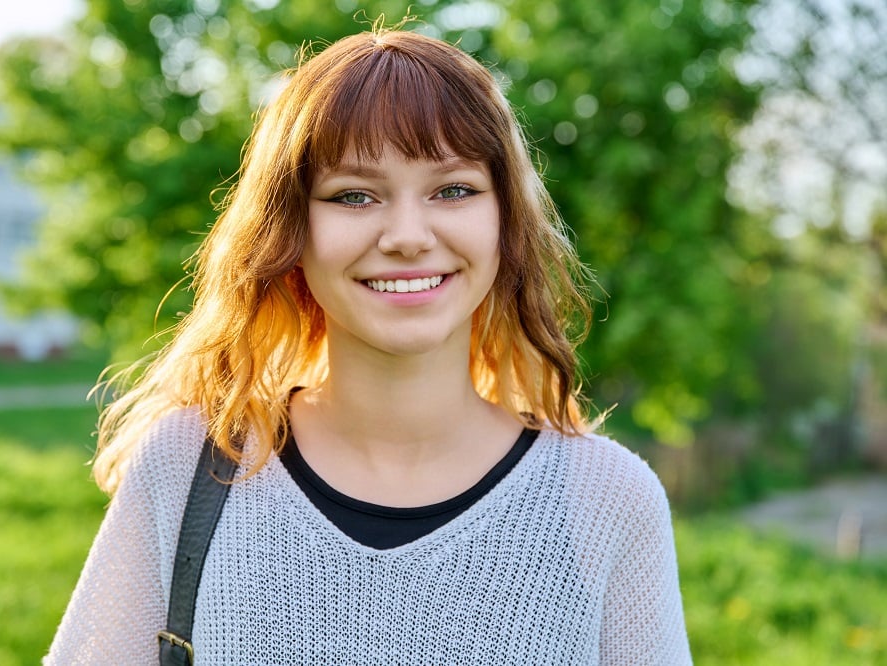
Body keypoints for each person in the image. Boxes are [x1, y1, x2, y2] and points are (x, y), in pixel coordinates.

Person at [45, 26, 692, 665]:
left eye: (453, 189)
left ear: (506, 224)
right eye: (354, 195)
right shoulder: (192, 465)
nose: (408, 235)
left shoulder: (608, 500)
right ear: (289, 230)